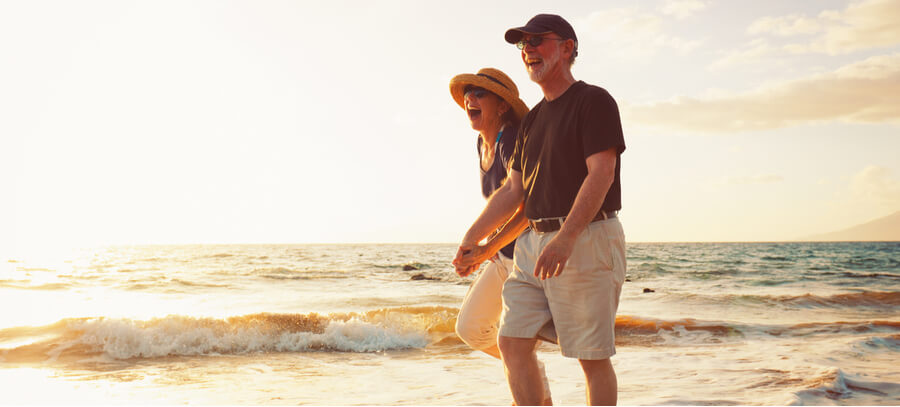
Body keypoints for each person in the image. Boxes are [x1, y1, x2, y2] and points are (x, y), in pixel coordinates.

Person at [454, 14, 627, 406]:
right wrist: (473, 239)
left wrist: (566, 238)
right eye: (523, 44)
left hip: (586, 239)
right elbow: (513, 190)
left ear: (567, 48)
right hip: (533, 247)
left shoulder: (593, 101)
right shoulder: (532, 121)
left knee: (591, 358)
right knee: (511, 341)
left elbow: (601, 174)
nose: (528, 49)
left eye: (538, 41)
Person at [448, 68, 553, 405]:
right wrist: (487, 247)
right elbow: (498, 204)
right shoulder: (482, 142)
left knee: (515, 343)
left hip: (530, 256)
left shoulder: (511, 139)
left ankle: (530, 384)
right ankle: (533, 375)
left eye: (480, 94)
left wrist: (483, 247)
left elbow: (524, 207)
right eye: (469, 94)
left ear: (503, 106)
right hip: (503, 255)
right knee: (471, 328)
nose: (470, 99)